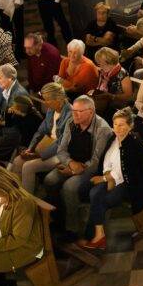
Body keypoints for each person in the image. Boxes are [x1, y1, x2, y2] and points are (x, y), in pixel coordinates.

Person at [80, 107, 143, 250]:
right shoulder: (113, 139)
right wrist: (106, 176)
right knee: (88, 191)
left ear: (130, 126)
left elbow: (129, 171)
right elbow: (106, 161)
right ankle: (96, 234)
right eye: (115, 124)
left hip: (129, 184)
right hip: (109, 177)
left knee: (100, 198)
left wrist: (105, 179)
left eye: (121, 125)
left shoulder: (134, 143)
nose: (117, 128)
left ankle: (95, 236)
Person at [43, 95, 113, 239]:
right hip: (72, 163)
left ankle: (72, 229)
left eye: (79, 111)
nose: (74, 114)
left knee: (70, 186)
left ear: (91, 112)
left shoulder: (102, 129)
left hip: (90, 169)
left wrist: (76, 170)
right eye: (73, 110)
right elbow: (61, 150)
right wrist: (70, 164)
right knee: (50, 179)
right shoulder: (71, 122)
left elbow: (95, 161)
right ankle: (57, 217)